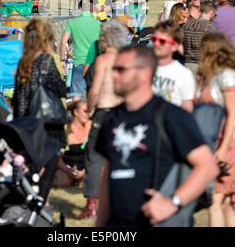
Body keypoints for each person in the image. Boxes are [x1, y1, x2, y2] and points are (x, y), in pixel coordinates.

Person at [95, 45, 218, 228]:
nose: (113, 75)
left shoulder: (170, 116)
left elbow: (207, 166)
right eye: (113, 69)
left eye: (121, 70)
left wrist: (172, 203)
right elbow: (107, 176)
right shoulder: (111, 119)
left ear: (145, 73)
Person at [78, 20, 129, 219]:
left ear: (107, 39)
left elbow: (95, 90)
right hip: (123, 112)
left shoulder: (103, 60)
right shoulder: (128, 59)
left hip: (105, 111)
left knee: (95, 156)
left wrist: (90, 107)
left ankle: (92, 203)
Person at [12, 18, 67, 203]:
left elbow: (18, 98)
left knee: (32, 164)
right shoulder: (45, 60)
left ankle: (32, 199)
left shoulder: (22, 63)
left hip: (27, 122)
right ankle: (41, 202)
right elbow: (60, 88)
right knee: (49, 166)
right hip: (48, 121)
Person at [195, 32, 235, 227]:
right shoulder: (207, 76)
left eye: (202, 48)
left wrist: (224, 148)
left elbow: (233, 115)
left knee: (215, 201)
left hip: (226, 144)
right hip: (211, 141)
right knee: (225, 203)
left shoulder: (226, 76)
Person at [150, 20, 195, 112]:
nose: (156, 44)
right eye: (154, 39)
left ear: (174, 46)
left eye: (162, 41)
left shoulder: (184, 74)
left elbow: (187, 109)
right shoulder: (142, 67)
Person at [60, 3, 101, 100]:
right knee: (94, 93)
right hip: (93, 63)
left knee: (76, 94)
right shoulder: (99, 24)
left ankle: (76, 113)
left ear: (81, 11)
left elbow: (63, 41)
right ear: (93, 12)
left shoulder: (72, 23)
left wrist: (62, 59)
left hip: (78, 62)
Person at [53, 100, 91, 188]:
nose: (88, 114)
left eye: (89, 112)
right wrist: (68, 170)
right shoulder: (67, 132)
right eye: (85, 111)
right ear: (76, 112)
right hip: (68, 168)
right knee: (64, 182)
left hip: (88, 168)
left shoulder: (91, 126)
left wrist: (84, 171)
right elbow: (58, 158)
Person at [182, 0, 217, 76]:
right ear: (211, 12)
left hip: (187, 63)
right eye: (215, 14)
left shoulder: (187, 25)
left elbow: (182, 45)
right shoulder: (210, 26)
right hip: (203, 64)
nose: (215, 17)